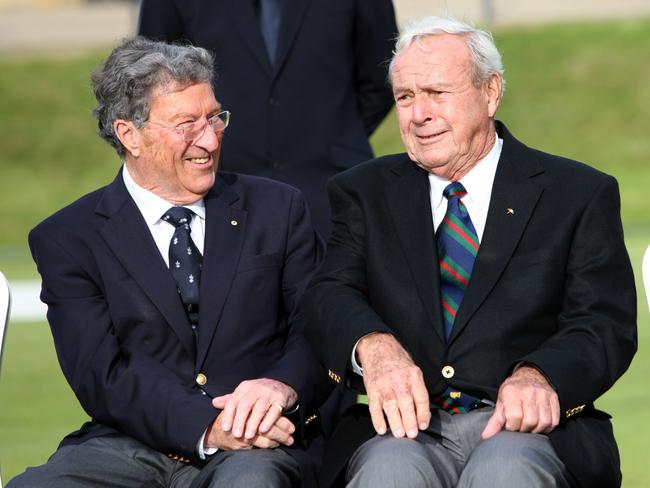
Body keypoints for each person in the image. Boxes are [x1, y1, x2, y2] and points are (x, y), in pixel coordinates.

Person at [301, 16, 637, 488]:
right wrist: (372, 346)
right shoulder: (363, 192)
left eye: (436, 93)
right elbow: (327, 297)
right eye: (405, 97)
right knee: (388, 472)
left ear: (491, 91)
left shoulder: (576, 193)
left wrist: (541, 375)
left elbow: (603, 322)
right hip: (404, 433)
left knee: (506, 470)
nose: (418, 114)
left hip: (527, 432)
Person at [9, 37, 330, 488]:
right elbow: (101, 375)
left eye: (215, 117)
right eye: (187, 124)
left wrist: (280, 388)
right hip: (129, 443)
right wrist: (207, 427)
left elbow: (319, 328)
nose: (210, 138)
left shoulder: (278, 209)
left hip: (261, 441)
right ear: (129, 134)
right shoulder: (67, 239)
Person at [137, 0, 398, 238]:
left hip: (330, 188)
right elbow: (151, 80)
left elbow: (383, 75)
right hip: (220, 187)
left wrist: (334, 134)